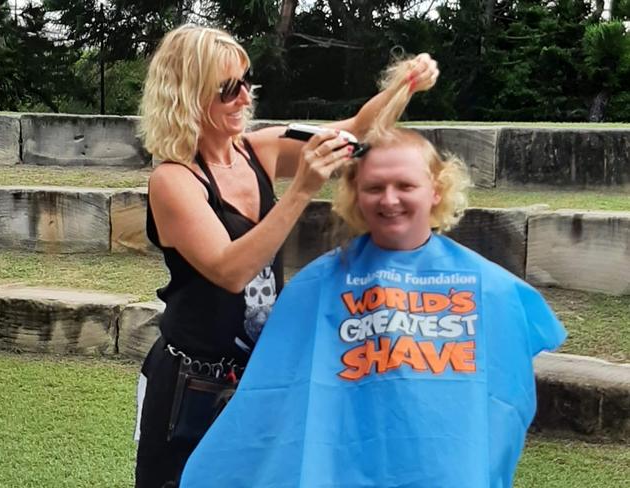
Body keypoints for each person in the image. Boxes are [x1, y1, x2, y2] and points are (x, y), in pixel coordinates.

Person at [178, 58, 567, 488]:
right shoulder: (316, 285)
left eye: (405, 186)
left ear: (436, 190)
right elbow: (275, 398)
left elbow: (502, 399)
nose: (390, 200)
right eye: (374, 188)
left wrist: (405, 85)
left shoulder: (489, 287)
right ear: (354, 195)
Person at [135, 23, 439, 488]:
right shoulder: (174, 180)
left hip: (255, 374)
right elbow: (230, 270)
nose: (244, 98)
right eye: (227, 89)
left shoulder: (259, 149)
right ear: (187, 95)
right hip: (189, 385)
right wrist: (300, 191)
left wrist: (405, 83)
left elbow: (357, 130)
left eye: (246, 81)